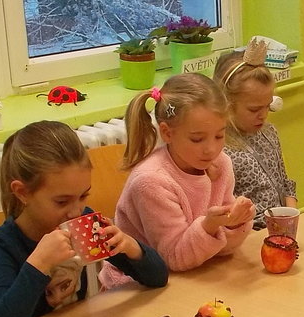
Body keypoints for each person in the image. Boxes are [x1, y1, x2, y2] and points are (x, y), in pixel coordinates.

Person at [0, 120, 168, 317]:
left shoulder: (84, 222)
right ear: (22, 192)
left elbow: (158, 277)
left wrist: (131, 247)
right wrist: (39, 263)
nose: (75, 211)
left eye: (83, 196)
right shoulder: (3, 244)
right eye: (62, 201)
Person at [105, 73, 254, 278]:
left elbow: (223, 248)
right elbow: (174, 259)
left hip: (197, 273)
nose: (211, 149)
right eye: (197, 139)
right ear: (167, 133)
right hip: (138, 284)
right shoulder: (151, 181)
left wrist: (235, 222)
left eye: (219, 135)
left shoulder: (220, 164)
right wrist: (210, 226)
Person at [214, 38, 296, 230]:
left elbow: (284, 183)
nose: (263, 115)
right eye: (254, 109)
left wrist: (292, 215)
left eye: (267, 106)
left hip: (281, 229)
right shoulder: (218, 150)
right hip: (247, 235)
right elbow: (220, 212)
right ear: (226, 103)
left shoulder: (269, 133)